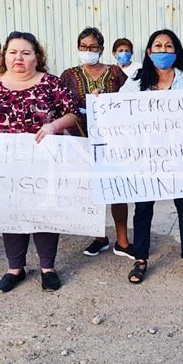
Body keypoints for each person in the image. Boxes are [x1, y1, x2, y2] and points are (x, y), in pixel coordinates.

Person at [0, 31, 79, 294]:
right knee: (10, 212)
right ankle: (15, 268)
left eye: (26, 52)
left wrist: (54, 125)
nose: (18, 58)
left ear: (37, 57)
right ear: (5, 55)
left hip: (43, 162)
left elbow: (73, 113)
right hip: (2, 164)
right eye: (13, 52)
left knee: (44, 212)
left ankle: (48, 268)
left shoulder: (51, 84)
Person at [121, 29, 183, 283]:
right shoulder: (136, 80)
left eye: (168, 46)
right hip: (146, 156)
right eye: (157, 46)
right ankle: (140, 258)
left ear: (176, 51)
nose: (163, 50)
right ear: (149, 52)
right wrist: (100, 103)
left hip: (180, 155)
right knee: (143, 208)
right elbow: (119, 109)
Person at [59, 27, 132, 258]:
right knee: (89, 192)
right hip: (79, 141)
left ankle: (123, 240)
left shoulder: (115, 74)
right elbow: (59, 105)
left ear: (101, 49)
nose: (87, 51)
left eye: (93, 47)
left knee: (116, 190)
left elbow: (130, 100)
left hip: (112, 142)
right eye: (83, 47)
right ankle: (99, 237)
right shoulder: (68, 75)